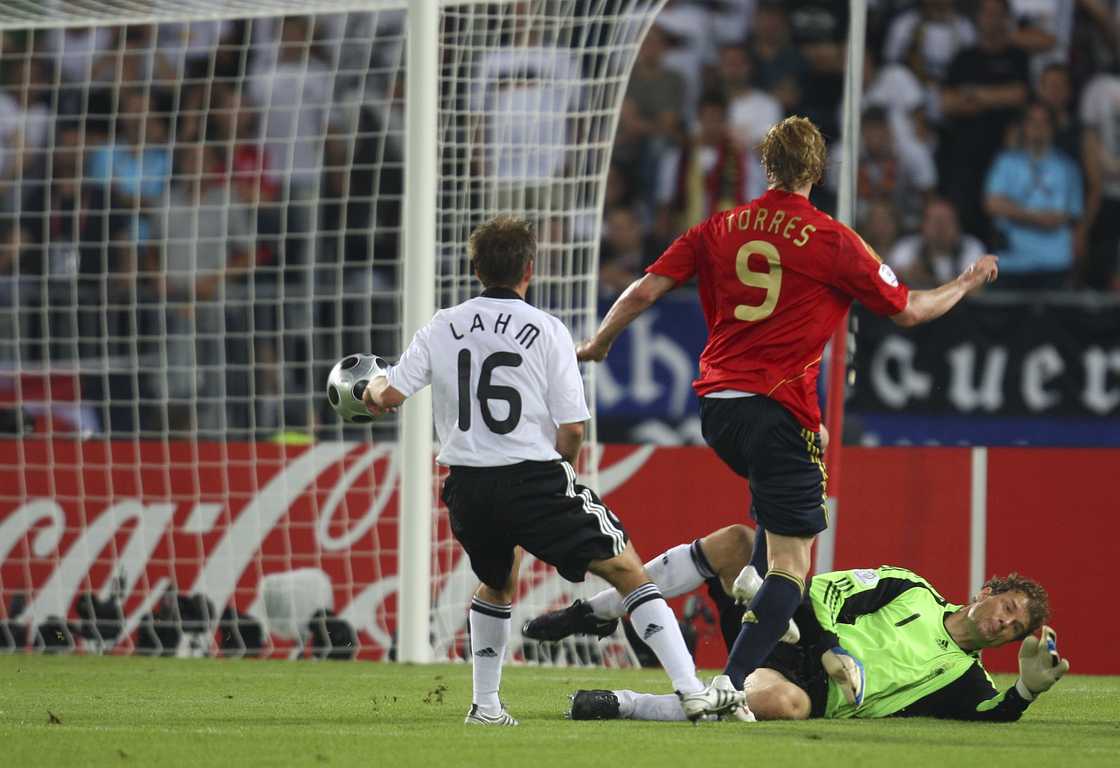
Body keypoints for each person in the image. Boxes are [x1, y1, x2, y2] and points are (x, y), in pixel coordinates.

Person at [575, 115, 999, 710]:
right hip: (777, 410)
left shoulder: (719, 226)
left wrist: (599, 343)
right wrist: (965, 280)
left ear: (765, 166)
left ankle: (742, 580)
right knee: (792, 567)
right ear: (818, 170)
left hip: (718, 410)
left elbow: (644, 289)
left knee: (770, 520)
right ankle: (727, 684)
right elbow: (910, 311)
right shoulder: (832, 240)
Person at [361, 216, 744, 726]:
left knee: (496, 584)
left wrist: (365, 390)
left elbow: (386, 396)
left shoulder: (441, 325)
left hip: (468, 488)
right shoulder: (546, 329)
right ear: (530, 269)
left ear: (475, 268)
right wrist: (558, 474)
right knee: (627, 570)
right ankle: (691, 691)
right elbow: (574, 428)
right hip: (532, 478)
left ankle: (487, 707)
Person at [568, 557, 1069, 723]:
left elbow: (990, 717)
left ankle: (628, 703)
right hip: (805, 643)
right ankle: (602, 607)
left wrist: (1027, 690)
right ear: (986, 593)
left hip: (815, 695)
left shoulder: (967, 680)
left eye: (1016, 628)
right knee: (741, 545)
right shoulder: (910, 589)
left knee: (780, 703)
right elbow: (822, 589)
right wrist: (833, 647)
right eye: (1008, 609)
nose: (1006, 625)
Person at [984, 101, 1083, 290]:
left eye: (1044, 122)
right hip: (1011, 263)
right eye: (1032, 121)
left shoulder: (1067, 168)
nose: (1038, 127)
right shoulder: (1005, 162)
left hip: (1055, 262)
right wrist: (1037, 217)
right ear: (1024, 127)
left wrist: (1013, 209)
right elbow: (993, 204)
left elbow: (1063, 216)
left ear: (1053, 128)